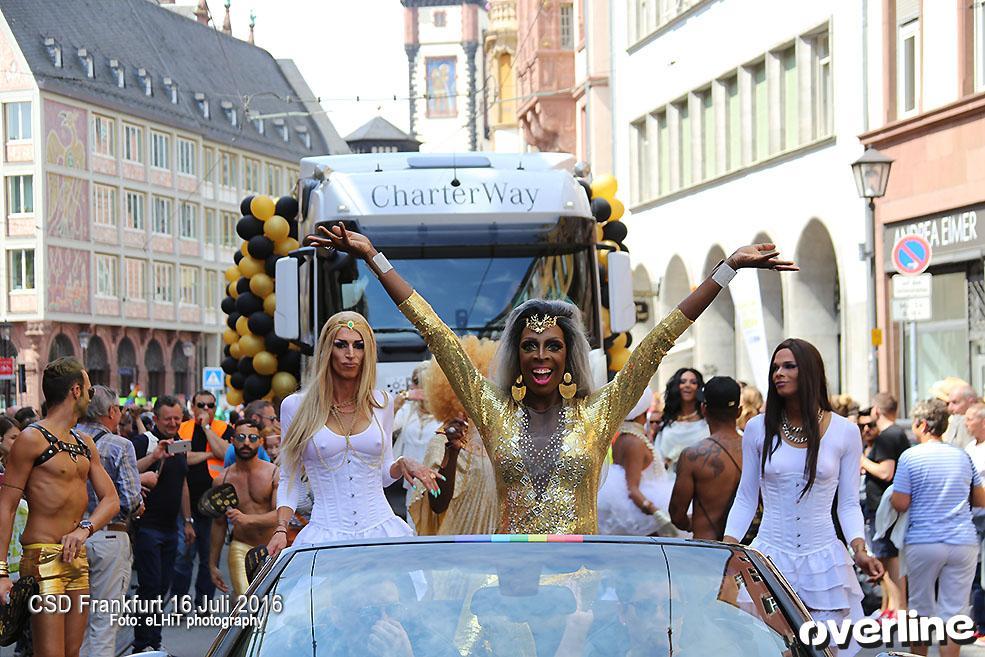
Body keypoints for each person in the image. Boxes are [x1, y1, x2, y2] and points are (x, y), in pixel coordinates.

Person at [308, 221, 796, 534]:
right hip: (509, 588)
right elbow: (434, 330)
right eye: (529, 347)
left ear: (569, 356)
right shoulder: (494, 411)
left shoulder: (596, 412)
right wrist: (374, 258)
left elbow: (661, 337)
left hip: (581, 588)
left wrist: (728, 268)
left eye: (553, 346)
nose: (541, 356)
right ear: (517, 357)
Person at [724, 339, 883, 657]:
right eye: (775, 368)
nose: (778, 374)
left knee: (826, 649)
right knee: (775, 648)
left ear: (809, 372)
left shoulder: (845, 432)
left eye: (788, 366)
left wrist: (860, 547)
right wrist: (728, 550)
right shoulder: (757, 429)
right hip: (770, 555)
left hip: (824, 560)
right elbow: (746, 498)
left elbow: (849, 503)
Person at [266, 311, 439, 558]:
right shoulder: (295, 406)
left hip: (380, 529)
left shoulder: (383, 402)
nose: (350, 354)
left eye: (359, 346)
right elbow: (288, 478)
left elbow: (382, 474)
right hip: (325, 534)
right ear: (327, 350)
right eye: (341, 345)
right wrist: (281, 528)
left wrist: (401, 464)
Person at [0, 358, 119, 657]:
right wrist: (0, 573)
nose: (92, 398)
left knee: (72, 653)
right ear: (75, 391)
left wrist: (84, 529)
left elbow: (111, 500)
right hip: (42, 559)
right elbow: (6, 506)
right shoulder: (31, 439)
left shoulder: (85, 442)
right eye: (90, 391)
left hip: (76, 556)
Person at [889, 399, 985, 657]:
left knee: (919, 608)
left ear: (921, 424)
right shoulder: (962, 455)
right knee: (955, 611)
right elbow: (979, 499)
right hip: (962, 540)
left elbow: (900, 502)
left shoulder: (910, 457)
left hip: (924, 541)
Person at [75, 386, 142, 657]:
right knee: (104, 622)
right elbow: (129, 500)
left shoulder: (65, 440)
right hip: (109, 536)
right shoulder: (120, 445)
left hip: (70, 537)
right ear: (112, 412)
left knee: (76, 623)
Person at [409, 336, 499, 536]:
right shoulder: (442, 440)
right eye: (467, 390)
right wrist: (452, 452)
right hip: (456, 554)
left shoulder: (503, 439)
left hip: (500, 551)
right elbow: (437, 503)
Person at [131, 396, 195, 654]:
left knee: (164, 586)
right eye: (167, 418)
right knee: (150, 585)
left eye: (177, 418)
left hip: (172, 528)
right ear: (155, 419)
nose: (172, 423)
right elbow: (127, 472)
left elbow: (183, 485)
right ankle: (141, 642)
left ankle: (154, 641)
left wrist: (188, 521)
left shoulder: (181, 446)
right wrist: (155, 459)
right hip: (147, 526)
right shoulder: (144, 441)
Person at [209, 418, 278, 597]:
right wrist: (212, 564)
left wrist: (247, 519)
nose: (246, 442)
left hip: (271, 547)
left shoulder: (273, 473)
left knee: (273, 602)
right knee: (245, 602)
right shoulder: (222, 480)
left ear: (260, 442)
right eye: (241, 437)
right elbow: (219, 524)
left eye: (253, 438)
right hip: (240, 546)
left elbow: (279, 515)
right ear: (232, 441)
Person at [597, 388, 679, 536]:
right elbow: (632, 490)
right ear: (645, 409)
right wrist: (660, 516)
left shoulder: (624, 437)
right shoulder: (634, 442)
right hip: (643, 518)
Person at [669, 376, 743, 540]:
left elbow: (676, 514)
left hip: (706, 549)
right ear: (739, 411)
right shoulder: (757, 451)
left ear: (703, 409)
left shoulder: (692, 456)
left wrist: (692, 523)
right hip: (747, 552)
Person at [860, 393, 909, 587]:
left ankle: (898, 608)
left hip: (884, 506)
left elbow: (886, 472)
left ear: (876, 411)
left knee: (889, 556)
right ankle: (890, 606)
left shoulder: (887, 437)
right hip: (886, 505)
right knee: (884, 556)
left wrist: (862, 460)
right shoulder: (896, 433)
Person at [393, 363, 443, 523]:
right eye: (412, 380)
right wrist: (400, 399)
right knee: (413, 529)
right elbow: (384, 428)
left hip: (439, 484)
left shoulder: (444, 413)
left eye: (416, 381)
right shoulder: (408, 411)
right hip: (413, 484)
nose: (411, 385)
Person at [655, 368, 709, 470]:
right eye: (682, 382)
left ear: (699, 387)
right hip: (667, 480)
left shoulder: (707, 423)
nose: (687, 385)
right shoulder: (666, 421)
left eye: (693, 382)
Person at [964, 403, 985, 644]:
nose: (965, 422)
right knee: (975, 575)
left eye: (970, 419)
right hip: (972, 521)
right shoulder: (969, 448)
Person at [944, 382, 978, 449]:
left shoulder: (963, 420)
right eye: (948, 403)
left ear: (971, 402)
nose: (950, 408)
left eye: (955, 402)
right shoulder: (955, 419)